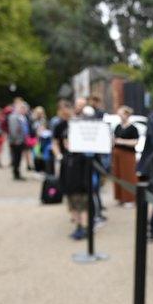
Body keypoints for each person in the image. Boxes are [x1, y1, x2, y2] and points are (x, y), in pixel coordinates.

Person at [52, 102, 89, 240]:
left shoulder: (79, 123)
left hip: (80, 163)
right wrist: (59, 156)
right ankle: (78, 224)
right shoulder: (59, 126)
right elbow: (55, 143)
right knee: (71, 197)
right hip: (67, 162)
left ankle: (84, 225)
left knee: (82, 198)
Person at [111, 106, 139, 207]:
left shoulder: (133, 128)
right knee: (118, 175)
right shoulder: (118, 126)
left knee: (128, 176)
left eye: (122, 113)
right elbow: (114, 138)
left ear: (127, 114)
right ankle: (120, 197)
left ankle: (130, 198)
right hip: (117, 153)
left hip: (128, 154)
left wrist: (121, 141)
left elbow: (135, 142)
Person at [7, 102, 29, 181]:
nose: (24, 110)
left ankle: (18, 173)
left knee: (19, 157)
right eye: (22, 108)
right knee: (16, 157)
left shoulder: (21, 117)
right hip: (16, 141)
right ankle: (16, 174)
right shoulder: (13, 117)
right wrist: (16, 140)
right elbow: (13, 130)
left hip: (21, 140)